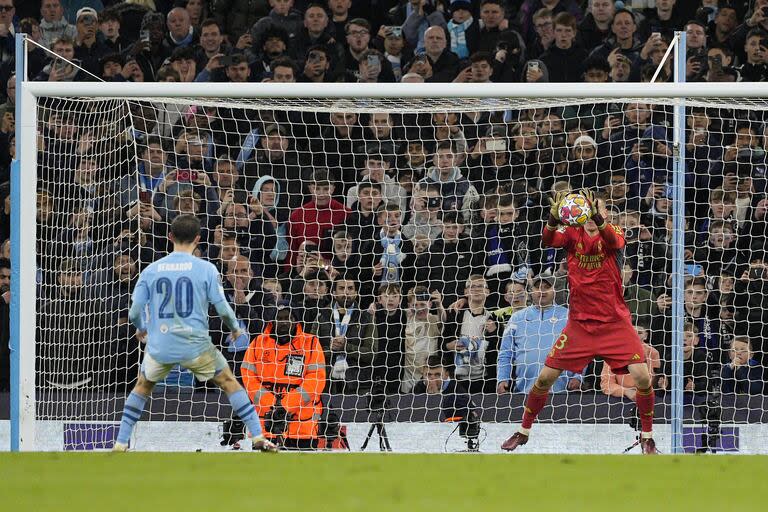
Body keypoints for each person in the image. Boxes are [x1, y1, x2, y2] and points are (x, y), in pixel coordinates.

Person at [501, 189, 659, 454]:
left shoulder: (615, 233)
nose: (589, 215)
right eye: (586, 210)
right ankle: (524, 430)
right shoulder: (572, 235)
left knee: (643, 378)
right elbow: (547, 239)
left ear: (605, 213)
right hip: (579, 326)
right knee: (543, 380)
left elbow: (612, 240)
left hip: (614, 324)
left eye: (597, 209)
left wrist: (596, 214)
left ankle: (647, 436)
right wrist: (553, 218)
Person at [112, 215, 278, 453]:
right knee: (230, 383)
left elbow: (135, 310)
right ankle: (258, 437)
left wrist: (141, 328)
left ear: (170, 237)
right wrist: (234, 327)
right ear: (198, 239)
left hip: (161, 344)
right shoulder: (206, 269)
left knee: (142, 387)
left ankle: (120, 442)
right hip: (196, 346)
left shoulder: (151, 270)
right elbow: (222, 306)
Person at [241, 301, 326, 450]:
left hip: (302, 427)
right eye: (279, 318)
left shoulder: (311, 343)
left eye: (288, 317)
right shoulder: (258, 343)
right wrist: (272, 405)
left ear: (295, 320)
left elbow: (316, 380)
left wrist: (286, 406)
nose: (284, 322)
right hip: (266, 425)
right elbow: (249, 379)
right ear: (273, 320)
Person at [497, 275, 580, 394]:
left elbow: (581, 350)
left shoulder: (569, 317)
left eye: (547, 287)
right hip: (524, 392)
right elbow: (505, 353)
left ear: (554, 290)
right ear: (531, 291)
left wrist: (578, 377)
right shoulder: (517, 318)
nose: (542, 291)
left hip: (561, 394)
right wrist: (502, 378)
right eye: (537, 287)